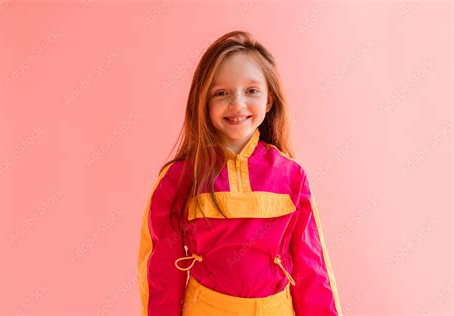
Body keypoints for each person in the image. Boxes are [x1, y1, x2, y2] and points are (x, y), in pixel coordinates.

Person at [138, 30, 343, 316]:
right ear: (203, 102)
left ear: (269, 101)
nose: (237, 104)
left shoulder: (291, 175)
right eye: (221, 93)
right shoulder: (178, 179)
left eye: (251, 91)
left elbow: (313, 268)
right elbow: (161, 273)